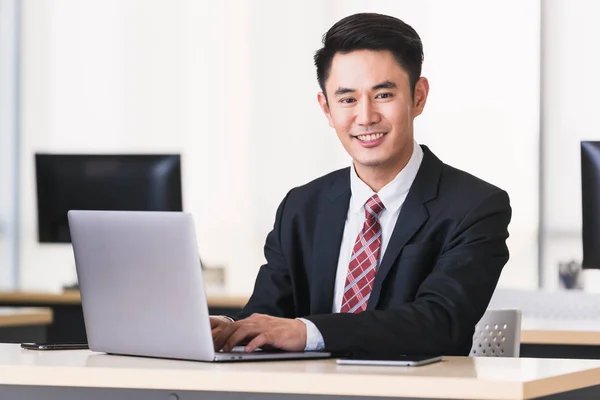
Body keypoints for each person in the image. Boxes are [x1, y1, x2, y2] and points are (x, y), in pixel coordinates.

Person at [211, 12, 511, 357]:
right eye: (348, 99)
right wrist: (231, 330)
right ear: (326, 108)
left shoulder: (474, 207)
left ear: (418, 96)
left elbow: (439, 323)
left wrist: (308, 332)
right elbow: (266, 319)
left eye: (383, 95)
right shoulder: (302, 207)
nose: (365, 117)